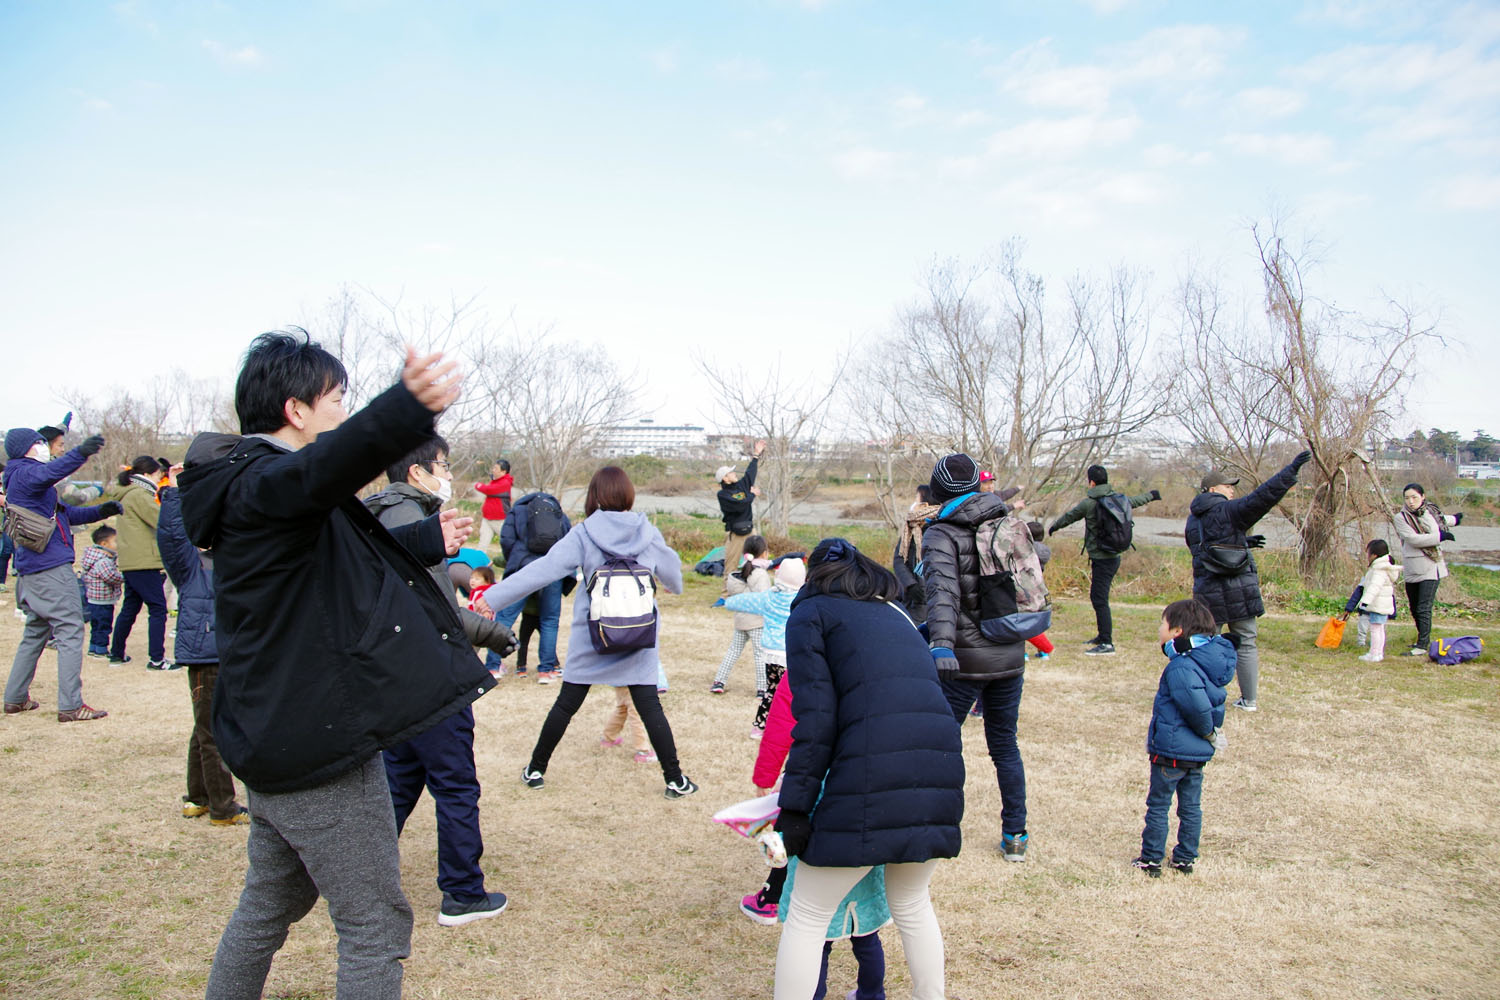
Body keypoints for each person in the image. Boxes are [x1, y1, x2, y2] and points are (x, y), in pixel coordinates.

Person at [179, 331, 494, 999]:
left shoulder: (252, 490)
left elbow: (332, 563)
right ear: (298, 410)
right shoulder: (269, 481)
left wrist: (423, 538)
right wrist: (406, 408)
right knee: (375, 926)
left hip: (270, 740)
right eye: (338, 400)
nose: (344, 415)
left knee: (267, 909)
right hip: (314, 747)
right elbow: (327, 467)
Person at [772, 537, 963, 1000]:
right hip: (938, 769)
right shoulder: (894, 612)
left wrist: (794, 809)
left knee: (808, 914)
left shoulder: (810, 615)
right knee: (913, 902)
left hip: (874, 771)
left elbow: (815, 721)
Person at [363, 435, 517, 927]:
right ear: (417, 473)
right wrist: (496, 634)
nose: (447, 475)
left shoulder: (378, 515)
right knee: (454, 785)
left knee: (400, 780)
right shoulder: (413, 525)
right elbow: (438, 612)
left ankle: (357, 875)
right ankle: (463, 893)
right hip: (429, 676)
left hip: (395, 678)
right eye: (443, 466)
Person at [479, 465, 698, 798]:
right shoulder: (648, 532)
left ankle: (535, 770)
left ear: (594, 496)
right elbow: (676, 582)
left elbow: (542, 570)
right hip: (638, 635)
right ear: (628, 494)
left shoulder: (584, 533)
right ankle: (675, 780)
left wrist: (492, 597)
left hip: (593, 636)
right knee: (650, 707)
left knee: (566, 705)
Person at [920, 453, 1031, 861]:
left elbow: (942, 595)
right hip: (1009, 649)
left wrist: (942, 645)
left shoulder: (941, 533)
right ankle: (1015, 834)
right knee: (1005, 746)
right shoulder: (1001, 518)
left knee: (943, 745)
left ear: (940, 490)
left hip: (963, 660)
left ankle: (940, 827)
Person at [2, 428, 118, 722]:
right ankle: (71, 705)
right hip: (50, 570)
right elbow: (52, 472)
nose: (44, 447)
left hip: (32, 572)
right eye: (39, 443)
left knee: (35, 633)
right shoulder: (27, 474)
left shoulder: (22, 481)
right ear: (27, 448)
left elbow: (66, 515)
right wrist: (80, 452)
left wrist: (101, 511)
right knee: (70, 630)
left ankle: (15, 698)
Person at [157, 467, 249, 826]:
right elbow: (170, 535)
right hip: (205, 655)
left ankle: (197, 798)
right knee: (214, 732)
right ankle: (223, 807)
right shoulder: (190, 566)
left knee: (204, 728)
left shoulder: (228, 558)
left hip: (230, 651)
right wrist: (175, 491)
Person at [1184, 451, 1310, 712]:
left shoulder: (1193, 519)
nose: (1231, 490)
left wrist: (1240, 541)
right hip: (1238, 588)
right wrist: (1290, 471)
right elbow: (1263, 497)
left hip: (1207, 590)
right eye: (1226, 486)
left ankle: (1201, 697)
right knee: (1246, 641)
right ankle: (1249, 700)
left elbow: (1204, 547)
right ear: (1211, 489)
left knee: (1206, 643)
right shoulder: (1228, 510)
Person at [1132, 598, 1236, 877]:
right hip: (1196, 752)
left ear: (1177, 631)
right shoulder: (1206, 661)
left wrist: (1208, 732)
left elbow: (1196, 706)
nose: (1159, 629)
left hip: (1172, 751)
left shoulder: (1180, 666)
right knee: (1191, 806)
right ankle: (1185, 857)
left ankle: (1151, 858)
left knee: (1159, 804)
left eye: (1162, 624)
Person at [1047, 465, 1161, 656]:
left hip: (1102, 559)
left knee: (1099, 599)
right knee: (1098, 597)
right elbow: (1136, 501)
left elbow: (1069, 517)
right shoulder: (1120, 499)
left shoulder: (1088, 503)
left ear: (1091, 482)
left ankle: (1107, 643)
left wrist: (1053, 527)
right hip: (1113, 556)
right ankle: (1102, 636)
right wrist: (1152, 495)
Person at [493, 489, 572, 683]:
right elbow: (569, 542)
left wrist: (516, 558)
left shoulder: (517, 511)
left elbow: (506, 540)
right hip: (552, 569)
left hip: (523, 568)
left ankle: (493, 666)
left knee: (505, 616)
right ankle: (546, 670)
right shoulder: (559, 513)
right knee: (549, 620)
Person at [721, 556, 806, 728]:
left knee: (771, 691)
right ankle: (793, 725)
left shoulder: (769, 597)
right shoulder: (803, 601)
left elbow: (747, 601)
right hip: (792, 655)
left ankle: (760, 726)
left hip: (771, 655)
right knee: (794, 693)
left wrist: (727, 602)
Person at [105, 456, 172, 669]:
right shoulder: (140, 495)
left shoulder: (127, 493)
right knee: (158, 608)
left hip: (130, 559)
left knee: (130, 607)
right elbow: (160, 520)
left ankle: (116, 653)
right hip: (143, 560)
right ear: (146, 475)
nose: (159, 478)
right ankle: (157, 659)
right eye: (157, 474)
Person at [1393, 483, 1460, 657]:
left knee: (1424, 607)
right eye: (1407, 498)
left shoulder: (1430, 511)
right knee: (1414, 607)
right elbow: (1412, 539)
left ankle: (1422, 644)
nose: (1410, 501)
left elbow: (1441, 519)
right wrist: (1440, 537)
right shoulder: (1401, 518)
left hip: (1432, 566)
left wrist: (1456, 520)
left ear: (1423, 496)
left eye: (1414, 497)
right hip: (1414, 567)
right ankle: (1421, 639)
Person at [713, 534, 771, 695]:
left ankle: (719, 681)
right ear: (764, 553)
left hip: (740, 620)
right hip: (757, 622)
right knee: (760, 654)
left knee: (733, 650)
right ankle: (762, 688)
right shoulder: (760, 575)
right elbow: (765, 598)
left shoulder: (739, 572)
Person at [717, 439, 767, 591]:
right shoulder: (723, 494)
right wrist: (752, 496)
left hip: (750, 529)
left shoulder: (741, 486)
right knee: (731, 564)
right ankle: (725, 594)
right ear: (725, 478)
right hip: (735, 533)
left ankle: (758, 589)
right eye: (730, 472)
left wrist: (756, 454)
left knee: (759, 558)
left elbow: (750, 473)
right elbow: (739, 505)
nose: (734, 473)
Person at [1353, 539, 1402, 664]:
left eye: (1368, 553)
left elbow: (1374, 587)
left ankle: (1374, 653)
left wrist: (1365, 601)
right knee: (1380, 629)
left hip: (1378, 604)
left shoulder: (1378, 570)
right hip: (1382, 604)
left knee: (1375, 629)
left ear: (1374, 555)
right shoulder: (1383, 567)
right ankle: (1378, 653)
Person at [79, 525, 123, 658]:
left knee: (96, 625)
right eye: (115, 541)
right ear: (104, 544)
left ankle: (93, 647)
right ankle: (101, 649)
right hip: (102, 599)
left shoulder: (95, 558)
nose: (118, 544)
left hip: (94, 598)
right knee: (104, 625)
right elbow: (110, 577)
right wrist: (123, 577)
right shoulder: (103, 561)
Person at [1025, 521, 1054, 660]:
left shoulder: (1025, 548)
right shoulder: (1045, 550)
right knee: (1037, 620)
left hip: (1025, 588)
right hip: (1040, 589)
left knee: (1022, 619)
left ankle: (1024, 652)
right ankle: (1043, 651)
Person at [473, 459, 513, 549]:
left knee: (508, 541)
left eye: (496, 468)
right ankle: (479, 561)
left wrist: (478, 485)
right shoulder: (496, 481)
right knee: (483, 542)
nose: (493, 470)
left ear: (503, 471)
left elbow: (488, 490)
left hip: (499, 519)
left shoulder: (505, 483)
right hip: (487, 518)